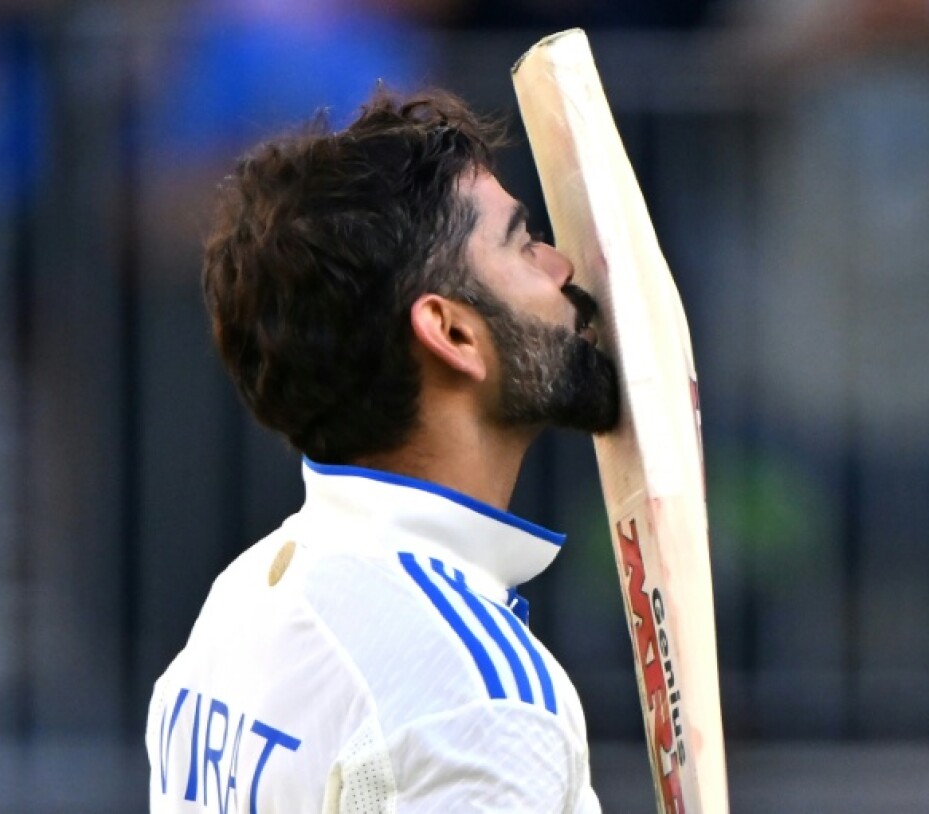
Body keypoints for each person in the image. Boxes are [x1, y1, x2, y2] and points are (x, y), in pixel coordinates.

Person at [144, 87, 618, 812]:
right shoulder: (482, 699)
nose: (561, 269)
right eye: (524, 245)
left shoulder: (238, 602)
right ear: (452, 333)